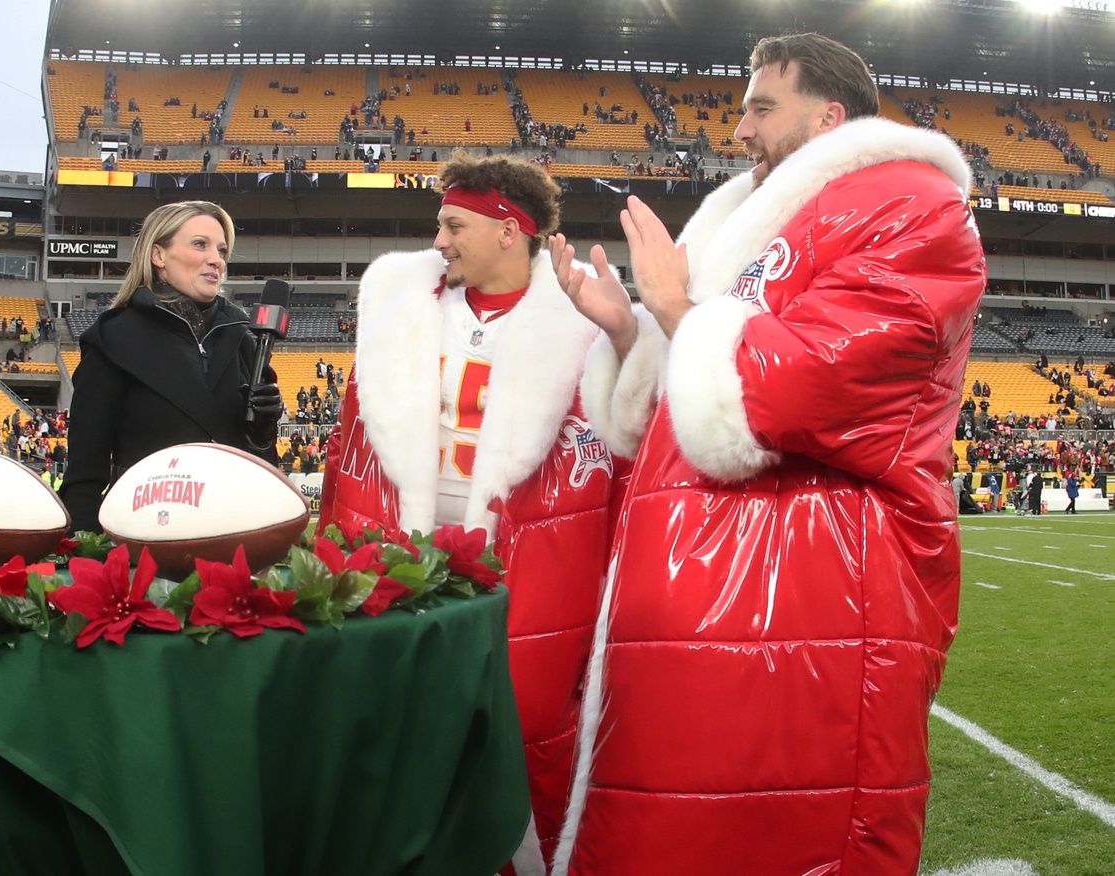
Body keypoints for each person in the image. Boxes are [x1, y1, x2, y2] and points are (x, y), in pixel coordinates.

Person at [548, 33, 985, 874]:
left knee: (779, 838)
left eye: (759, 107)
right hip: (701, 604)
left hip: (813, 601)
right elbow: (689, 405)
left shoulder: (913, 204)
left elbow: (814, 381)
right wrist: (629, 333)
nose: (738, 131)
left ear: (828, 117)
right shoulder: (755, 226)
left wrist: (676, 309)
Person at [319, 152, 628, 872]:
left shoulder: (583, 328)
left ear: (506, 229)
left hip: (532, 576)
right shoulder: (402, 318)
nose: (439, 241)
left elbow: (632, 457)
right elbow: (348, 460)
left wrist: (626, 341)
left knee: (525, 742)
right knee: (403, 745)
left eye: (453, 224)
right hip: (408, 559)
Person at [60, 201, 282, 533]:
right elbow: (85, 474)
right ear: (158, 256)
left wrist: (261, 437)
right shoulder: (112, 339)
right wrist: (85, 559)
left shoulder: (243, 338)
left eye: (221, 250)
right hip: (147, 538)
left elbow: (262, 472)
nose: (216, 260)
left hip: (231, 535)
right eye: (200, 244)